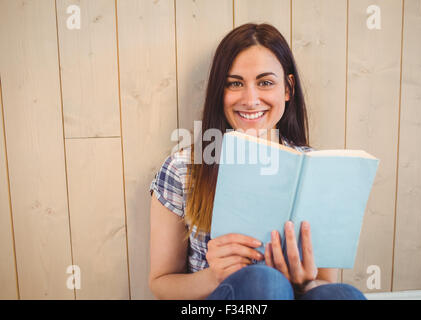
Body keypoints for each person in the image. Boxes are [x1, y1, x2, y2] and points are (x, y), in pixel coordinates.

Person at [149, 23, 366, 300]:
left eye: (265, 82)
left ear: (287, 89)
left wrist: (303, 283)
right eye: (235, 83)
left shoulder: (316, 170)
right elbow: (160, 283)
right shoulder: (183, 169)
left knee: (344, 295)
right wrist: (214, 275)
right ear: (220, 91)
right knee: (264, 283)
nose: (251, 100)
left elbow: (323, 281)